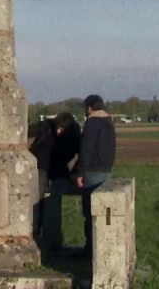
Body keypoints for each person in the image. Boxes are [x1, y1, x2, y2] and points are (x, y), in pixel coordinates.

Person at [71, 94, 116, 256]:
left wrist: (80, 172)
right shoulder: (108, 122)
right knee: (102, 212)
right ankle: (101, 248)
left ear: (90, 107)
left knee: (89, 212)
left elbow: (86, 149)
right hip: (106, 169)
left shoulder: (92, 123)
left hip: (92, 171)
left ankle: (90, 249)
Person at [39, 111, 81, 251]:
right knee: (41, 201)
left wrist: (74, 173)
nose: (58, 131)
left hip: (51, 169)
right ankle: (41, 235)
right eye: (57, 128)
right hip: (45, 167)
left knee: (46, 199)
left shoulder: (72, 136)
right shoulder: (49, 129)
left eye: (61, 129)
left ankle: (46, 239)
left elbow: (63, 157)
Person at [28, 116, 55, 240]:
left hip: (39, 167)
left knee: (36, 199)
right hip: (44, 167)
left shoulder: (43, 132)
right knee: (39, 199)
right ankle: (38, 229)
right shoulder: (53, 135)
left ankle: (36, 229)